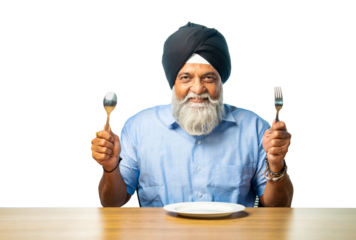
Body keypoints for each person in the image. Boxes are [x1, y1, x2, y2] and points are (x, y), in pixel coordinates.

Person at [89, 21, 295, 208]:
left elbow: (278, 208)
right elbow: (113, 203)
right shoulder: (138, 127)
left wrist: (276, 163)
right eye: (186, 77)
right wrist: (110, 167)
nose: (198, 88)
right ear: (173, 83)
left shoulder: (255, 128)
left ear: (221, 82)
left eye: (208, 78)